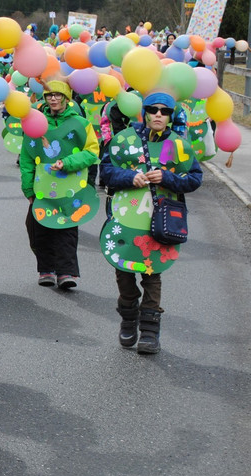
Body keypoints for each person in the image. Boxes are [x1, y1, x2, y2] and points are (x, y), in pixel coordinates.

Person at [98, 93, 202, 354]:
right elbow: (106, 171)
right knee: (123, 271)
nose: (158, 114)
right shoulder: (125, 140)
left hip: (159, 221)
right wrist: (129, 177)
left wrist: (167, 177)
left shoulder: (179, 145)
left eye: (165, 111)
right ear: (144, 112)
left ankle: (150, 331)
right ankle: (128, 317)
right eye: (153, 109)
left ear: (170, 116)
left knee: (152, 273)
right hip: (126, 219)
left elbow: (194, 179)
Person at [20, 80, 98, 290]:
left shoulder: (81, 123)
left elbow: (92, 152)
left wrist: (67, 163)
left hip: (70, 187)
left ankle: (66, 272)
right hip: (42, 187)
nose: (53, 99)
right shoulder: (35, 122)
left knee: (67, 229)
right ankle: (46, 269)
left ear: (66, 97)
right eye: (49, 95)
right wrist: (28, 188)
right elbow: (27, 157)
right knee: (39, 228)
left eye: (57, 95)